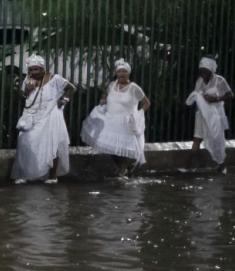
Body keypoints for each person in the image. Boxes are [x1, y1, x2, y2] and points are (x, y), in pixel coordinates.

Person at [11, 55, 76, 184]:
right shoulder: (28, 80)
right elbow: (23, 96)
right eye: (31, 70)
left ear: (42, 69)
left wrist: (63, 100)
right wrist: (27, 90)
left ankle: (52, 176)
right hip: (32, 115)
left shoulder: (55, 78)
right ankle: (26, 174)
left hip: (51, 114)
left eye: (36, 69)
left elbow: (72, 88)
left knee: (52, 144)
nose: (33, 72)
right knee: (26, 143)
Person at [81, 59, 151, 177]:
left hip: (127, 122)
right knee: (109, 147)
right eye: (119, 72)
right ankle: (122, 168)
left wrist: (139, 114)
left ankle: (122, 170)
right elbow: (105, 93)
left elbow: (146, 103)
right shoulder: (112, 85)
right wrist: (103, 99)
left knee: (124, 147)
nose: (121, 74)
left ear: (128, 73)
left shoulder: (134, 87)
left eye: (124, 72)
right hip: (111, 120)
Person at [183, 57, 233, 173]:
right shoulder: (199, 81)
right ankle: (189, 165)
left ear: (211, 71)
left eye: (205, 71)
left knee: (216, 139)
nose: (203, 74)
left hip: (214, 116)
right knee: (197, 138)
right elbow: (197, 95)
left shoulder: (219, 80)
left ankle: (221, 163)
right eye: (201, 71)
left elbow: (230, 95)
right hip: (201, 114)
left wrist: (216, 99)